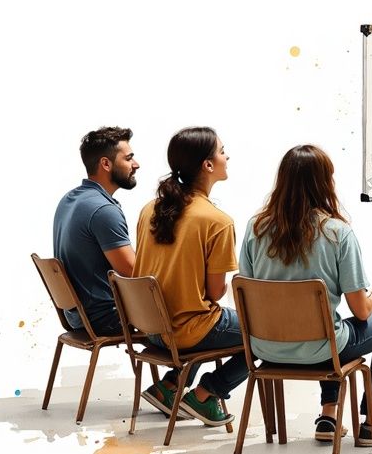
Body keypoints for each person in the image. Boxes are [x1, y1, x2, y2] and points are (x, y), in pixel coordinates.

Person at [239, 145, 372, 446]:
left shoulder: (256, 228)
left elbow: (246, 289)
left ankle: (329, 416)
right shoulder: (337, 233)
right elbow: (361, 312)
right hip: (321, 350)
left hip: (265, 347)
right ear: (324, 183)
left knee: (329, 325)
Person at [132, 126, 248, 427]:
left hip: (153, 329)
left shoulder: (149, 210)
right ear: (207, 165)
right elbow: (214, 293)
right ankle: (206, 394)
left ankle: (169, 385)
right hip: (186, 332)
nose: (227, 156)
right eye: (222, 151)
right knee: (267, 334)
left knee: (199, 314)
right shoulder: (217, 222)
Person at [53, 126, 139, 336]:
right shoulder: (103, 210)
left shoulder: (70, 199)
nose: (136, 164)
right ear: (106, 164)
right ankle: (182, 370)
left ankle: (180, 370)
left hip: (77, 315)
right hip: (106, 318)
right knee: (188, 317)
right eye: (128, 159)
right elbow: (135, 275)